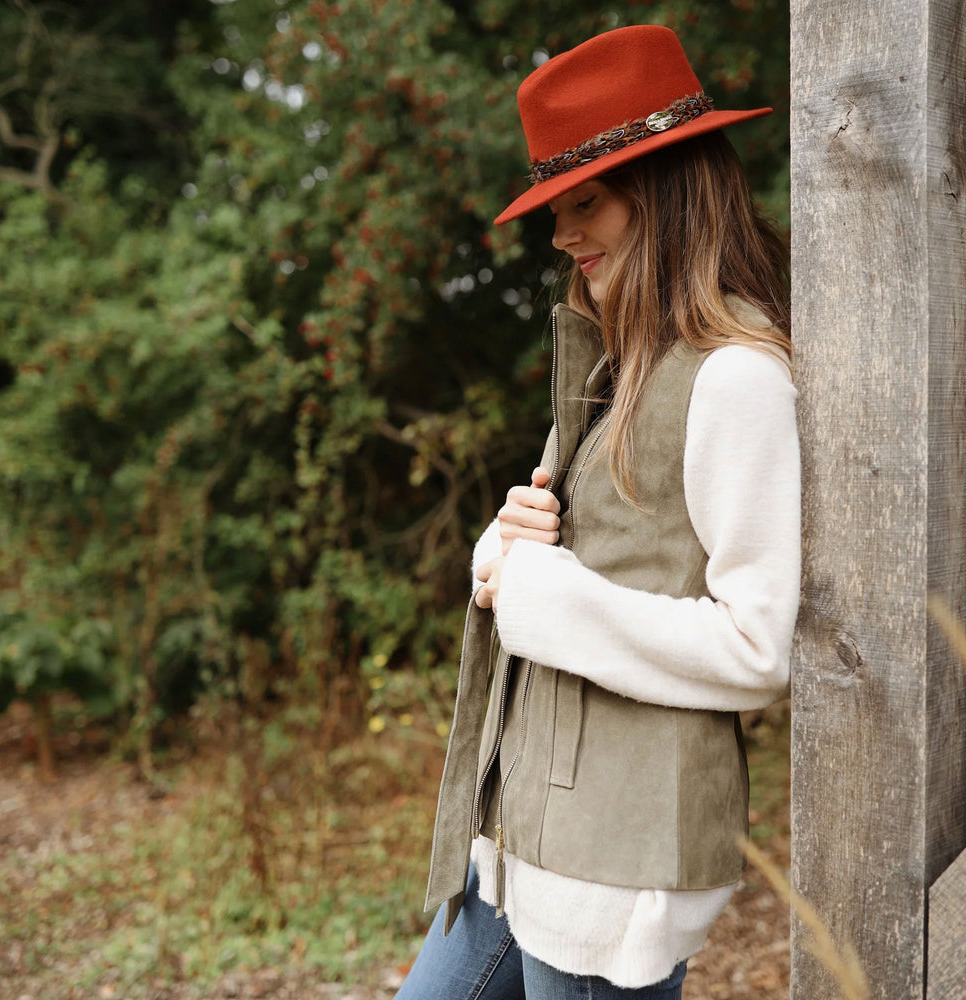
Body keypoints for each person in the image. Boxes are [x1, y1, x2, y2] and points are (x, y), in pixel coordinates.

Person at [396, 24, 799, 1000]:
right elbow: (530, 561)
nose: (561, 234)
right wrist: (503, 548)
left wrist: (543, 593)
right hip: (524, 829)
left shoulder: (739, 379)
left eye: (587, 203)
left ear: (664, 194)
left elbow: (756, 648)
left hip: (610, 861)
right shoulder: (613, 366)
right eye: (555, 208)